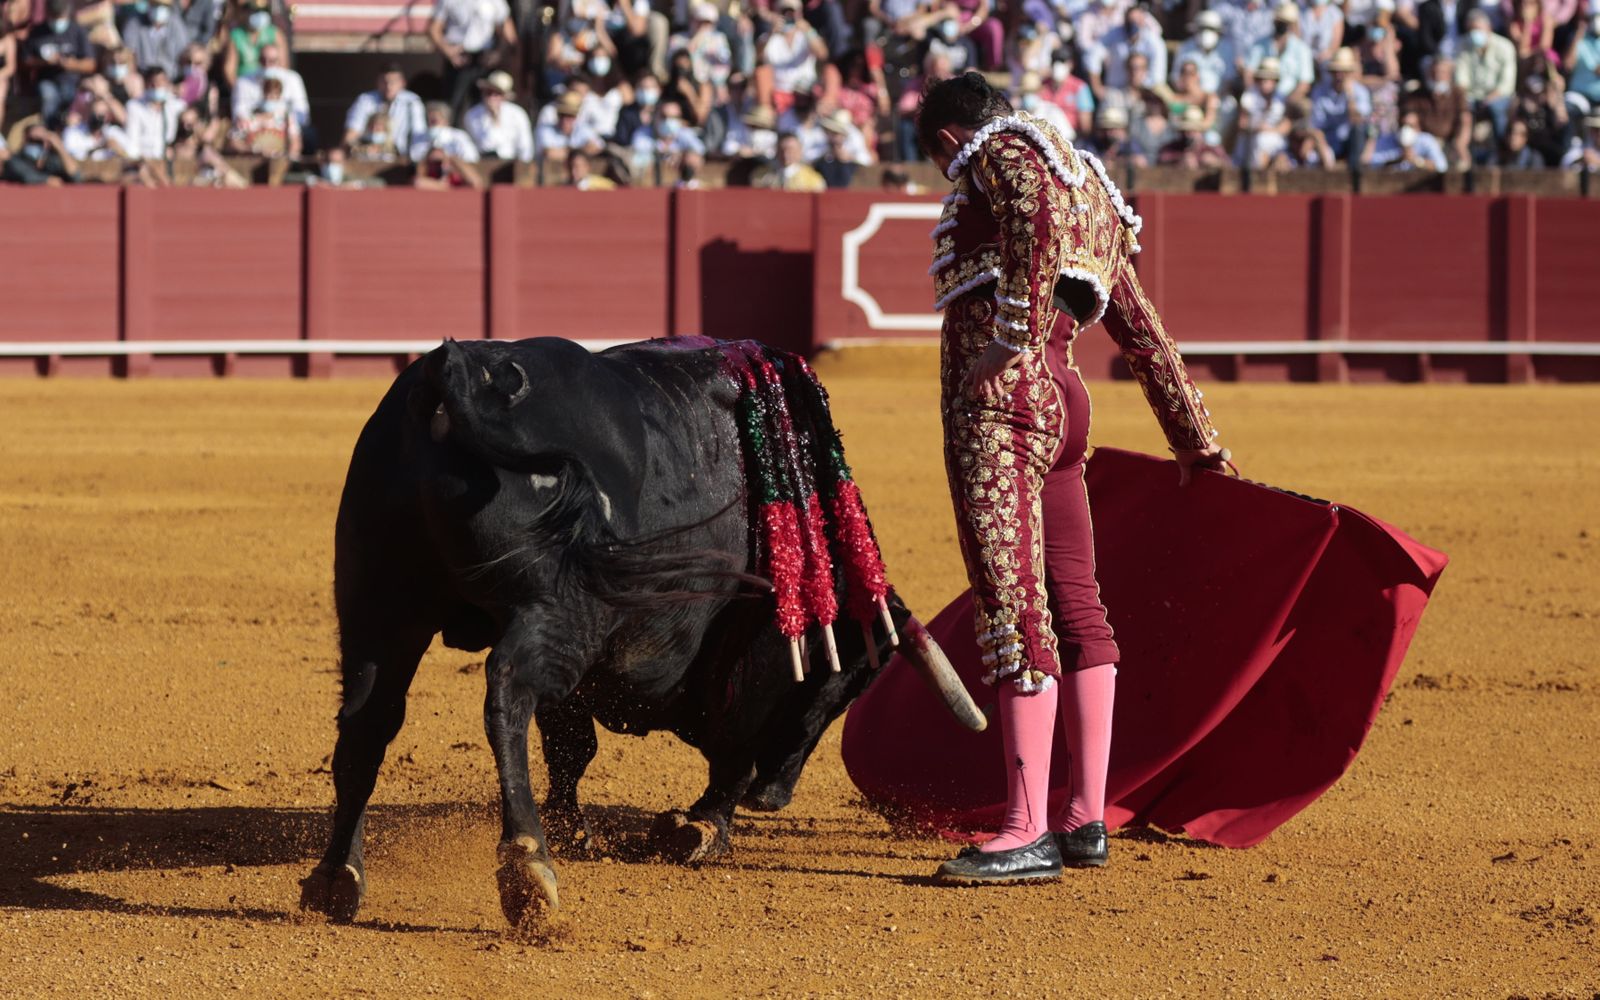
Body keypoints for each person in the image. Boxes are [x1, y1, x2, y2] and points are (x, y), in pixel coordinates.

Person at [917, 72, 1225, 883]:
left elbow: (1031, 215)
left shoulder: (1003, 153)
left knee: (1015, 608)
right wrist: (1191, 438)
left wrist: (1008, 336)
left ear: (950, 140)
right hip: (1065, 404)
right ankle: (1084, 816)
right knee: (1077, 603)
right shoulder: (1085, 179)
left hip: (1003, 412)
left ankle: (1024, 830)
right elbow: (1141, 326)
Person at [429, 0, 515, 119]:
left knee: (483, 108)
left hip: (483, 59)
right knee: (452, 107)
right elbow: (434, 29)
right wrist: (447, 51)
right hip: (459, 57)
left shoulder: (496, 2)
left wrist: (498, 54)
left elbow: (508, 33)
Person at [24, 0, 97, 127]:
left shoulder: (78, 31)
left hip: (71, 80)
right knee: (49, 96)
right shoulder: (37, 32)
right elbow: (26, 61)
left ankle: (67, 128)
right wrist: (45, 62)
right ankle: (49, 129)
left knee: (68, 94)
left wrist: (71, 64)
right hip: (46, 79)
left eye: (60, 17)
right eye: (54, 17)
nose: (58, 22)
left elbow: (91, 64)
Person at [343, 65, 427, 159]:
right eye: (384, 81)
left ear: (402, 83)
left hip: (401, 158)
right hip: (368, 157)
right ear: (377, 82)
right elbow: (352, 133)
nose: (388, 86)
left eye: (393, 82)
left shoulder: (412, 102)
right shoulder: (365, 100)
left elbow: (419, 134)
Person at [463, 70, 534, 162]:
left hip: (511, 164)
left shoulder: (518, 114)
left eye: (496, 94)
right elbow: (471, 147)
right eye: (488, 92)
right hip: (481, 164)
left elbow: (526, 148)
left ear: (504, 96)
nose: (491, 97)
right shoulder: (472, 115)